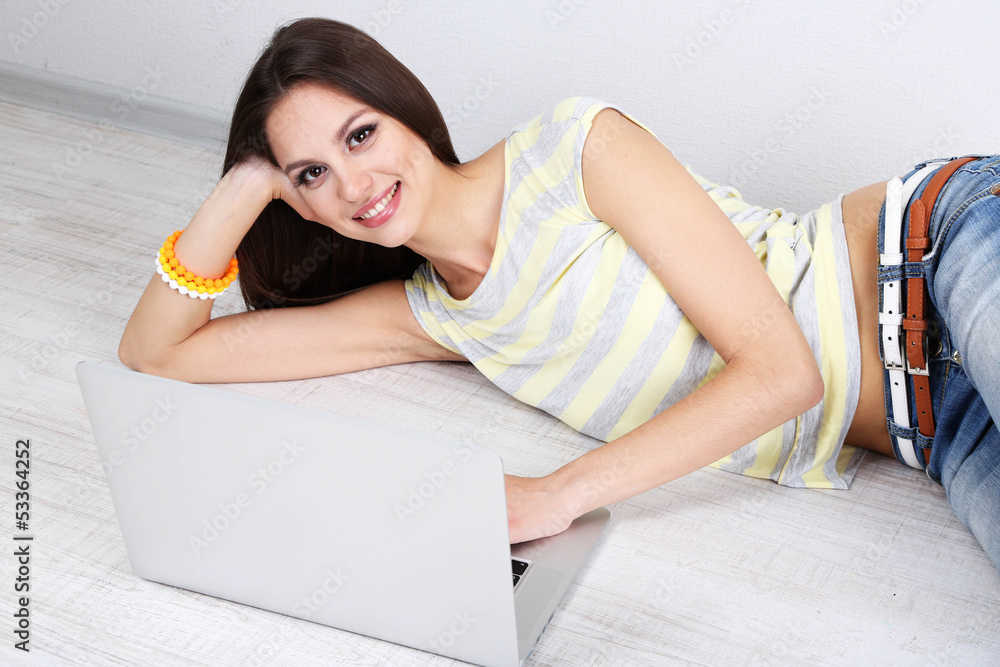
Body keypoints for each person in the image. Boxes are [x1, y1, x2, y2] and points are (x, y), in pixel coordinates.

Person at [118, 17, 1000, 570]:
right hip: (936, 424)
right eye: (311, 173)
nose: (353, 183)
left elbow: (783, 374)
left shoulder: (572, 151)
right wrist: (241, 185)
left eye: (360, 134)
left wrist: (555, 494)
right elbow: (159, 354)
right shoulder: (431, 317)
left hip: (930, 250)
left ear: (404, 110)